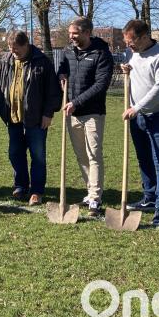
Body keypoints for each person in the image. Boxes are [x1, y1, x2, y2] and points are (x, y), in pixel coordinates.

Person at [0, 30, 61, 206]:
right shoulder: (6, 60)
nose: (13, 52)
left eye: (17, 49)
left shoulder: (42, 61)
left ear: (27, 45)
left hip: (37, 118)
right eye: (10, 48)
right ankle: (20, 186)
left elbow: (52, 91)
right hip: (13, 117)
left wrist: (48, 113)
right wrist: (3, 110)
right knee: (15, 153)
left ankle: (37, 191)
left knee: (38, 156)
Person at [57, 17, 114, 217]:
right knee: (81, 156)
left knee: (94, 155)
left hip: (93, 113)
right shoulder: (67, 51)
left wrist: (76, 102)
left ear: (87, 33)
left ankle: (95, 199)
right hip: (72, 114)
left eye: (75, 33)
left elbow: (100, 85)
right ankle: (90, 192)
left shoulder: (102, 54)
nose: (71, 36)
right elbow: (63, 68)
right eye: (70, 33)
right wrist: (61, 75)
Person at [121, 19, 159, 228]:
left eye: (132, 41)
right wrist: (126, 70)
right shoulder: (131, 53)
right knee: (144, 160)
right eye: (127, 42)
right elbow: (134, 73)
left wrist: (137, 107)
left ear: (144, 37)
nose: (129, 46)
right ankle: (149, 197)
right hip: (137, 118)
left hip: (158, 116)